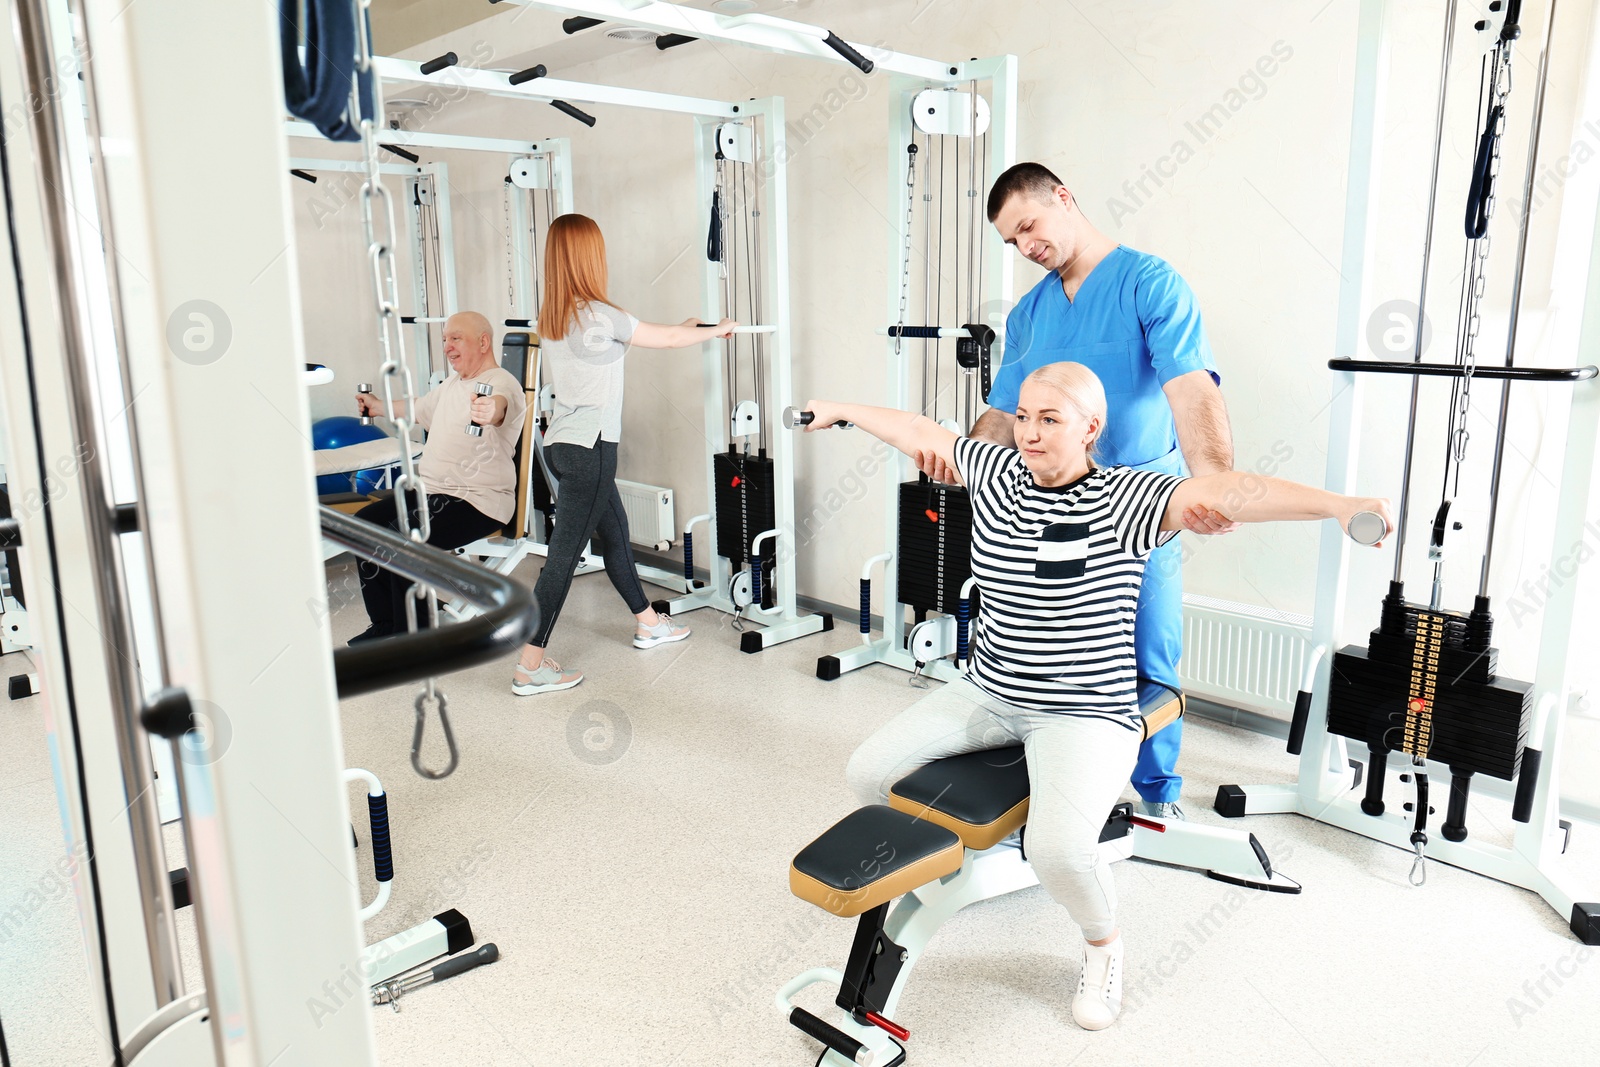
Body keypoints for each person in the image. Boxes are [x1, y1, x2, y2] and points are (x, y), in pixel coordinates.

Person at [800, 362, 1390, 1031]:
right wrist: (838, 406)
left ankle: (1104, 945)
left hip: (1086, 710)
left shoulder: (1129, 498)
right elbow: (914, 429)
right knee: (868, 771)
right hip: (991, 690)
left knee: (1056, 850)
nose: (1028, 432)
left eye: (1049, 419)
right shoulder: (994, 476)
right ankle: (957, 863)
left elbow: (1234, 490)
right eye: (1023, 416)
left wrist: (1341, 507)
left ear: (1091, 428)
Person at [917, 161, 1234, 820]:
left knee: (1148, 648)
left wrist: (1216, 481)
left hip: (1139, 506)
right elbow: (1005, 413)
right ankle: (1040, 783)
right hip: (1053, 510)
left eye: (1028, 226)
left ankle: (1155, 795)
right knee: (1038, 647)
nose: (1025, 247)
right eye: (1012, 241)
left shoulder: (1149, 282)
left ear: (1064, 198)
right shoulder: (1030, 313)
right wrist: (963, 461)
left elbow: (1191, 388)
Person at [512, 212, 735, 696]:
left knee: (615, 537)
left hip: (563, 446)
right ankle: (529, 666)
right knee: (564, 557)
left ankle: (648, 622)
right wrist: (718, 330)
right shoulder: (600, 313)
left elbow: (657, 332)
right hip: (591, 451)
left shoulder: (553, 317)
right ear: (591, 257)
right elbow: (669, 341)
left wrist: (689, 326)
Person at [350, 311, 528, 642]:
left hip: (475, 501)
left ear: (483, 341)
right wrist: (377, 406)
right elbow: (416, 408)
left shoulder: (501, 382)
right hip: (431, 494)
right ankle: (387, 627)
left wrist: (490, 409)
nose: (447, 346)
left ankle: (412, 638)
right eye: (445, 339)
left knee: (399, 538)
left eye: (455, 338)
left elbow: (500, 405)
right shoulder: (451, 385)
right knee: (361, 525)